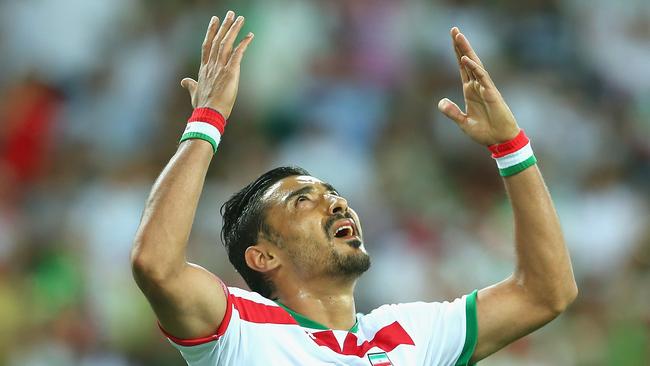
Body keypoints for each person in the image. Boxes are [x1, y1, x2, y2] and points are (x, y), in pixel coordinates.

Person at [131, 10, 577, 366]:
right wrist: (208, 120)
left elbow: (545, 292)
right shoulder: (238, 331)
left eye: (332, 193)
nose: (336, 202)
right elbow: (156, 265)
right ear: (264, 256)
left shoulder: (408, 334)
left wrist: (510, 147)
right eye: (302, 199)